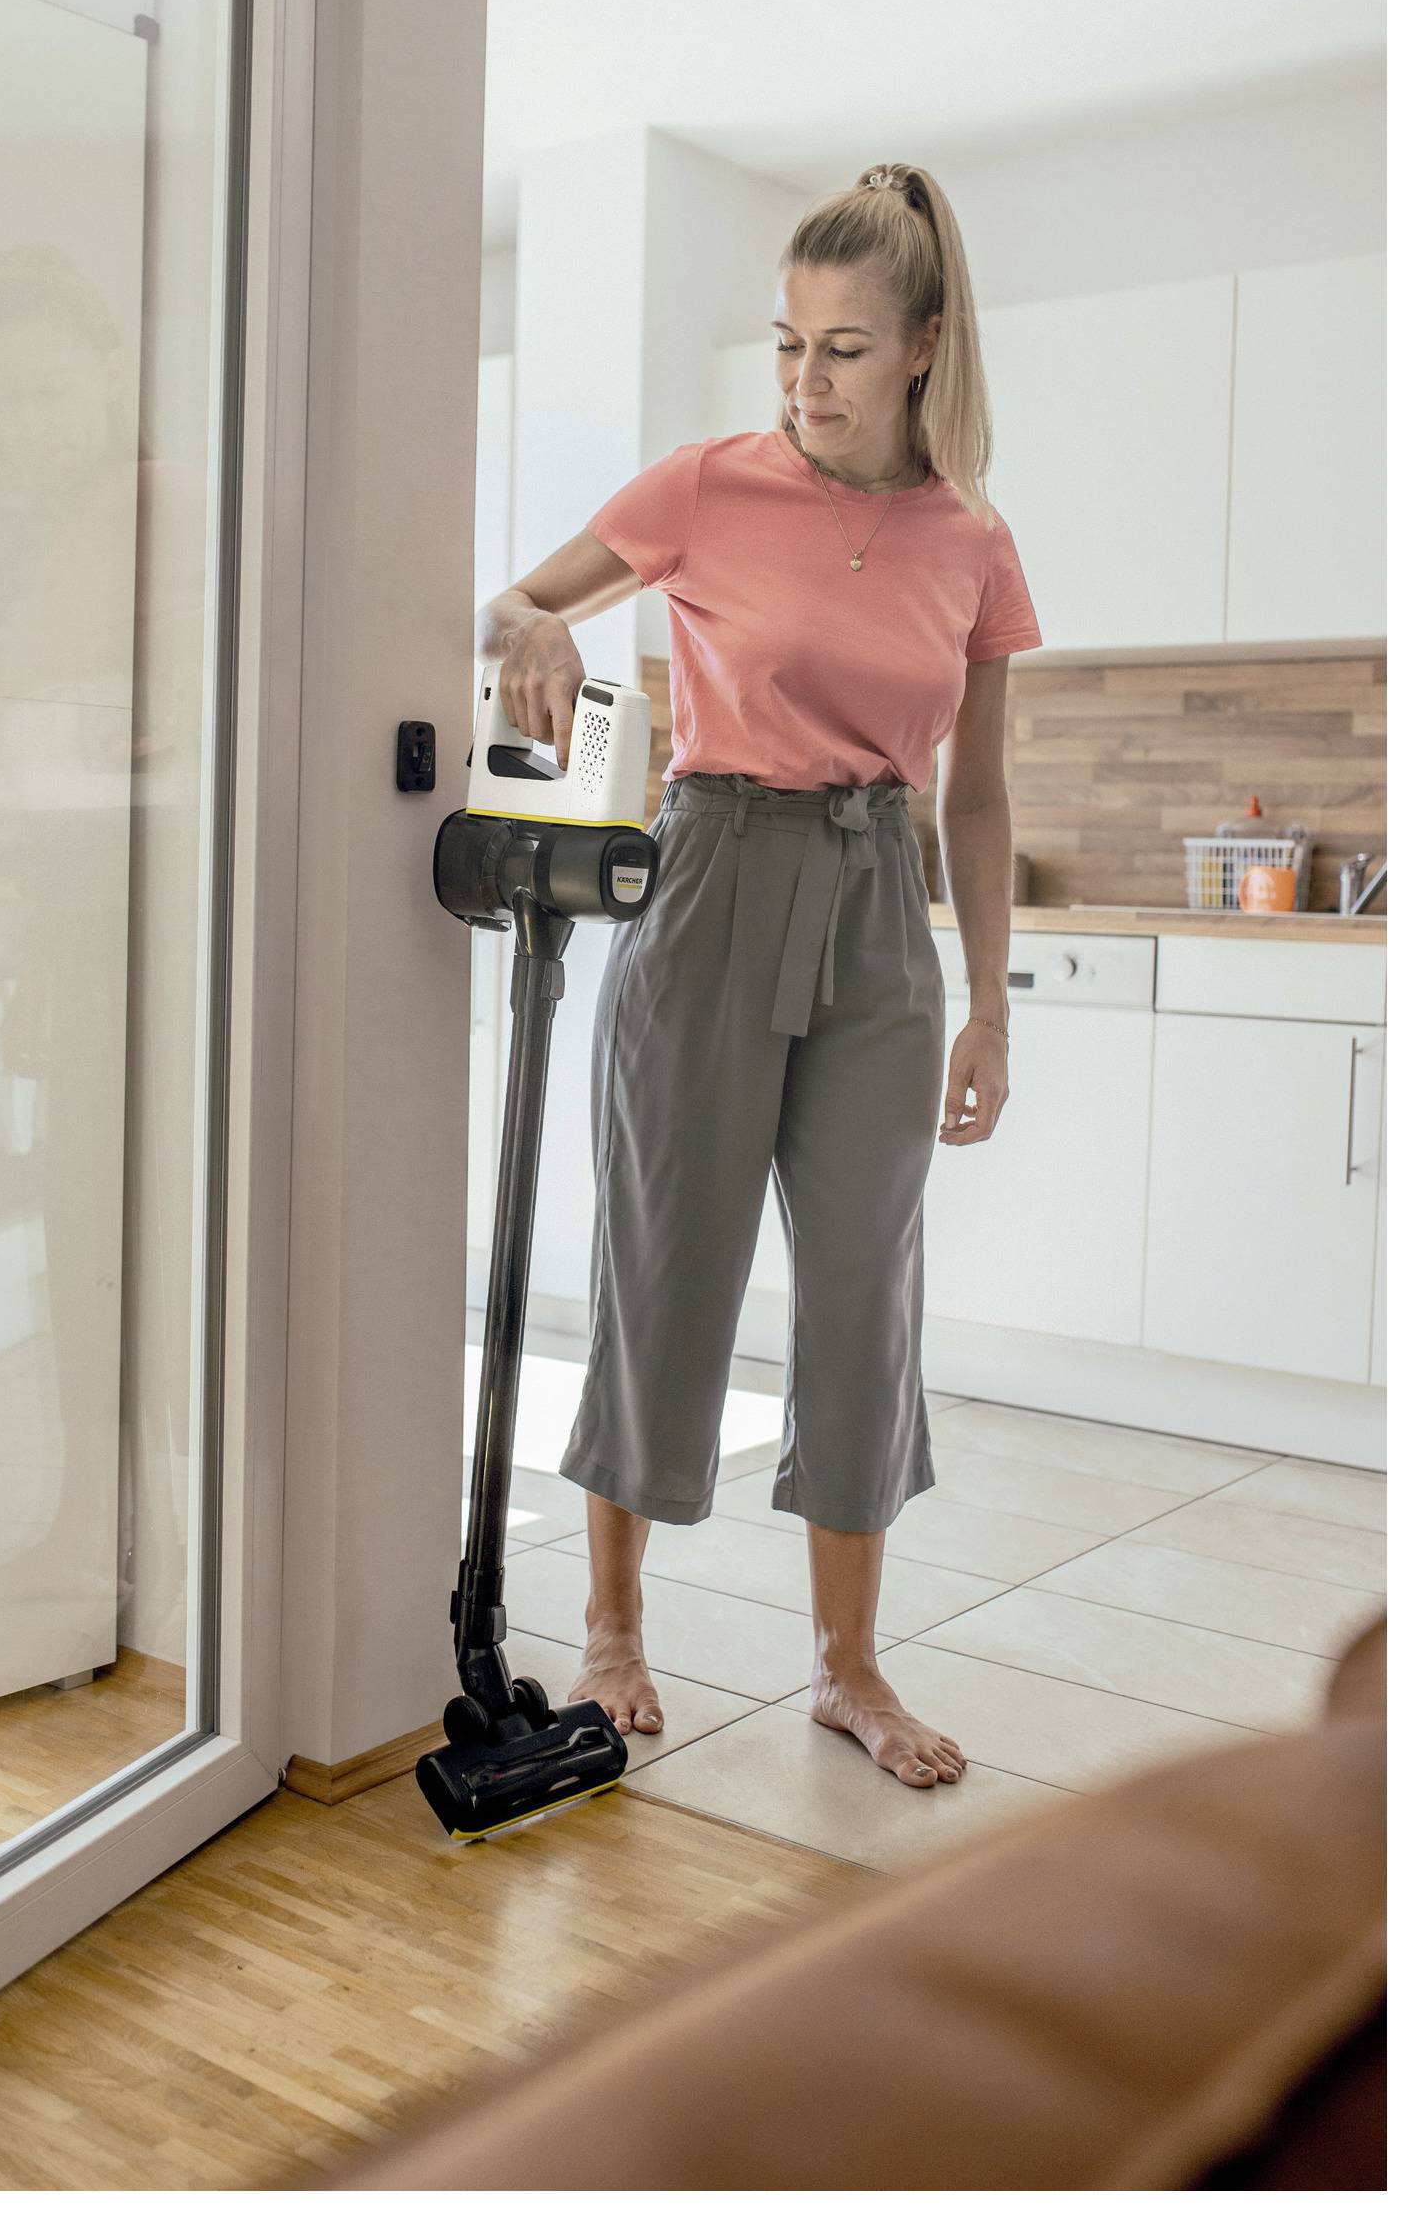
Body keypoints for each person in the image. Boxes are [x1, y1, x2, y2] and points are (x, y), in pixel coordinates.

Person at [474, 162, 1042, 1790]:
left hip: (881, 909)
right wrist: (539, 632)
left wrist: (990, 998)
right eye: (789, 343)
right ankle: (608, 1628)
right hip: (712, 874)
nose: (806, 381)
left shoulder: (973, 544)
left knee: (866, 1296)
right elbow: (518, 596)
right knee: (670, 1265)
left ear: (926, 347)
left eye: (846, 349)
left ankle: (849, 1667)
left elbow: (983, 793)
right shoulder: (707, 486)